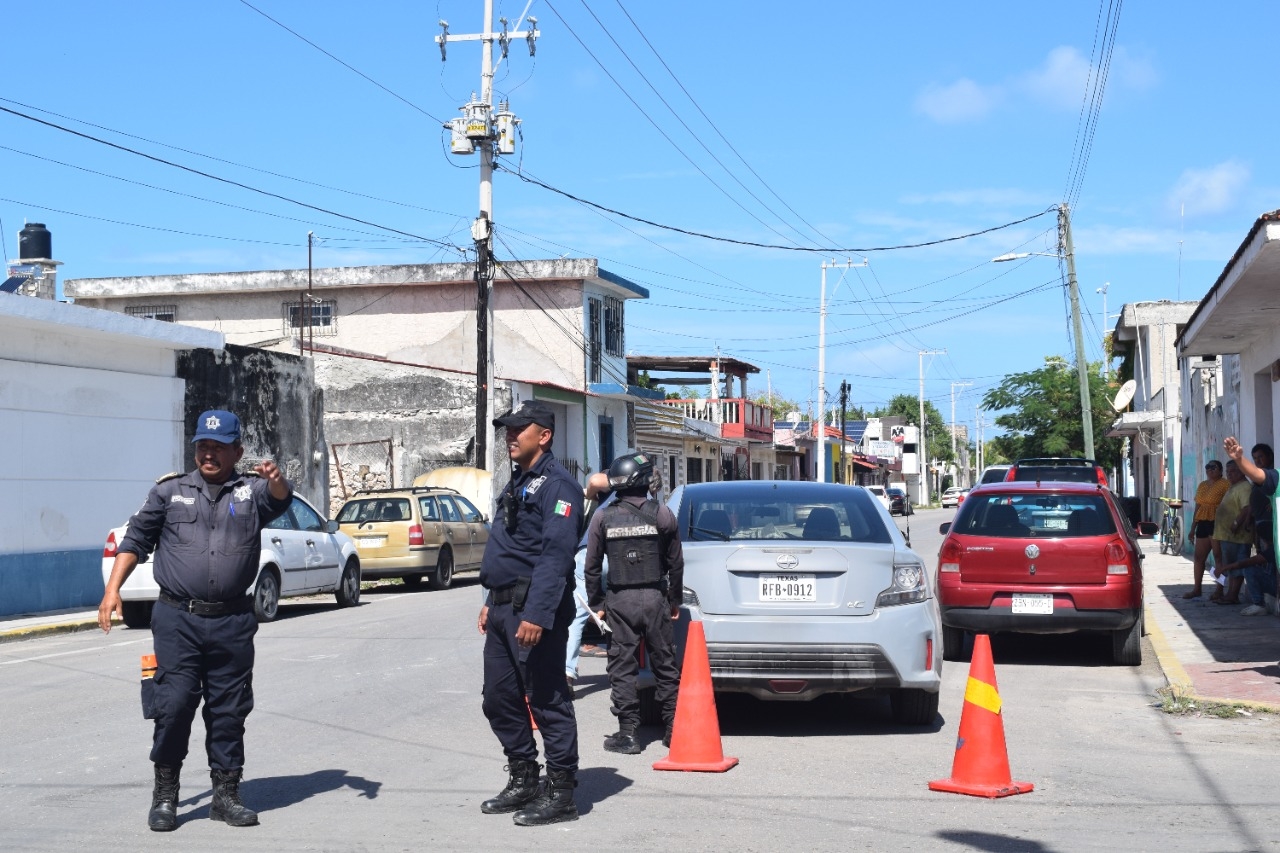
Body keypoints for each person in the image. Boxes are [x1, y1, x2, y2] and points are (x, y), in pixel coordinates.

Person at [98, 410, 292, 832]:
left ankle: (225, 796)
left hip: (233, 622)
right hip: (178, 620)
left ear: (236, 452)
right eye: (203, 445)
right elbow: (135, 539)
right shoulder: (169, 493)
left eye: (218, 447)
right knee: (174, 704)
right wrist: (113, 589)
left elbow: (281, 497)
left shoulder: (252, 493)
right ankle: (165, 797)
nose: (208, 453)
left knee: (229, 710)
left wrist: (276, 477)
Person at [477, 400, 583, 826]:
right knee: (498, 699)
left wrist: (537, 615)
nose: (510, 435)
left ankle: (562, 793)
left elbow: (555, 557)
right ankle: (523, 777)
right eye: (507, 429)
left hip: (533, 611)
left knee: (546, 699)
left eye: (519, 428)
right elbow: (510, 549)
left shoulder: (559, 487)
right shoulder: (518, 482)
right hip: (504, 607)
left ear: (544, 436)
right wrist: (490, 602)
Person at [584, 452, 684, 754]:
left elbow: (591, 566)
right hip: (655, 599)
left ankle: (628, 734)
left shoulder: (603, 517)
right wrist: (674, 600)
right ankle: (674, 730)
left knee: (621, 667)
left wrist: (597, 603)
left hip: (620, 601)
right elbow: (676, 562)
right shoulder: (663, 514)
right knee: (665, 665)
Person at [1223, 437, 1279, 616]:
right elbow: (1258, 475)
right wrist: (1239, 459)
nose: (1258, 461)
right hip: (1264, 534)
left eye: (1261, 457)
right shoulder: (1274, 478)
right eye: (1255, 458)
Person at [566, 472, 612, 688]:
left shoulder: (615, 480)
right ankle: (623, 669)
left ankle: (567, 671)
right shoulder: (648, 501)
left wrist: (591, 494)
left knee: (576, 616)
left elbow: (594, 481)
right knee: (619, 610)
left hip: (591, 552)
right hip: (621, 554)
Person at [1183, 460, 1229, 599]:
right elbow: (1198, 506)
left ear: (1220, 470)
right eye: (1207, 467)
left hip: (1217, 522)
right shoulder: (1202, 485)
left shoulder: (1225, 484)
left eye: (1213, 467)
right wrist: (1192, 527)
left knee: (1218, 556)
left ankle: (1219, 589)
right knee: (1198, 557)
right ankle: (1197, 588)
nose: (1210, 469)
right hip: (1202, 522)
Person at [1210, 460, 1253, 605]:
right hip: (1228, 536)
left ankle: (1233, 595)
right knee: (1231, 565)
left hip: (1237, 536)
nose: (1229, 475)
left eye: (1233, 471)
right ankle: (1230, 594)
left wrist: (1235, 524)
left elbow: (1246, 508)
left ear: (1242, 471)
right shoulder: (1234, 486)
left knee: (1237, 566)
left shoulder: (1244, 487)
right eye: (1227, 472)